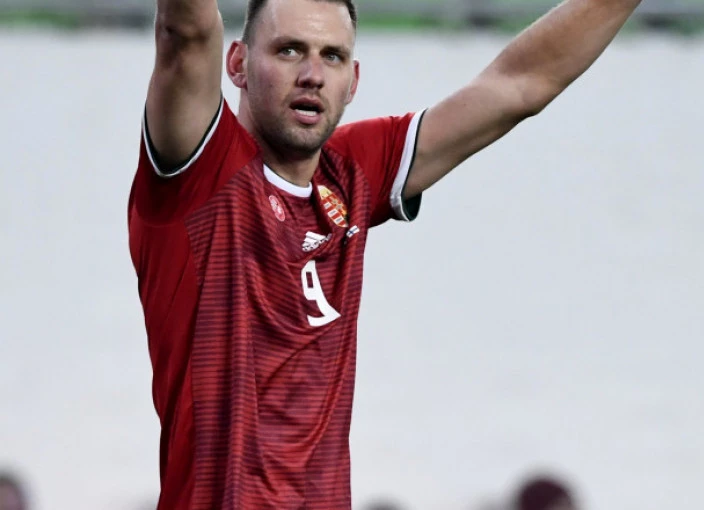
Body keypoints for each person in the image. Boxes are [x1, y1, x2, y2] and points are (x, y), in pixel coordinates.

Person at [127, 0, 642, 507]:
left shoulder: (352, 174)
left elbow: (519, 86)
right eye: (289, 51)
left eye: (332, 56)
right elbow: (186, 33)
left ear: (353, 81)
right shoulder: (200, 176)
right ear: (237, 63)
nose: (312, 75)